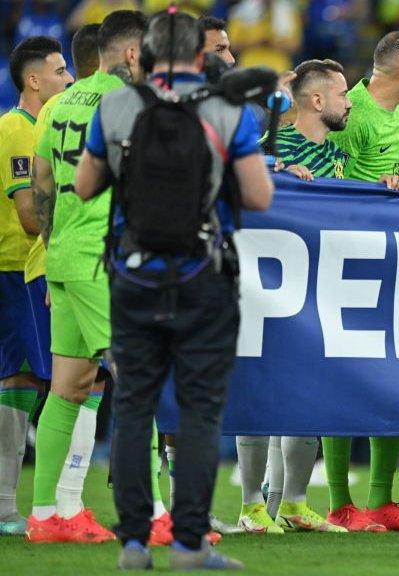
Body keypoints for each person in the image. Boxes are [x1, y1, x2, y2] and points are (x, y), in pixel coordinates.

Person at [74, 10, 274, 569]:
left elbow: (85, 185)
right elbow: (259, 197)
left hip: (133, 274)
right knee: (200, 411)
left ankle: (134, 542)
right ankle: (189, 542)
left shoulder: (115, 106)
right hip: (203, 275)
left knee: (134, 406)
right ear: (198, 55)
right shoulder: (227, 109)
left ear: (143, 53)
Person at [26, 9, 147, 545]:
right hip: (105, 258)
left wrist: (57, 256)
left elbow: (44, 182)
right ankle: (153, 515)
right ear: (131, 53)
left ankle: (46, 515)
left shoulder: (60, 103)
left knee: (68, 388)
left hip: (64, 258)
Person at [318, 31, 399, 533]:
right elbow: (327, 185)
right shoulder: (354, 114)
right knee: (344, 380)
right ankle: (342, 502)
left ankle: (382, 500)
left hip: (388, 259)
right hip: (344, 260)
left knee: (394, 377)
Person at [235, 59, 353, 535]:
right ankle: (250, 505)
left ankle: (296, 504)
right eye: (343, 94)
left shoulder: (339, 157)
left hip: (317, 291)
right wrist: (274, 168)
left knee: (308, 393)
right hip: (263, 287)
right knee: (259, 393)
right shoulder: (272, 148)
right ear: (318, 100)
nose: (349, 103)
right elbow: (236, 180)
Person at [0, 35, 73, 537]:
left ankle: (10, 502)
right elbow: (29, 217)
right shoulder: (14, 129)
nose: (67, 79)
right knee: (36, 378)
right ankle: (15, 504)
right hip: (13, 267)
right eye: (59, 70)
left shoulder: (43, 125)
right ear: (33, 80)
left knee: (28, 378)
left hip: (25, 266)